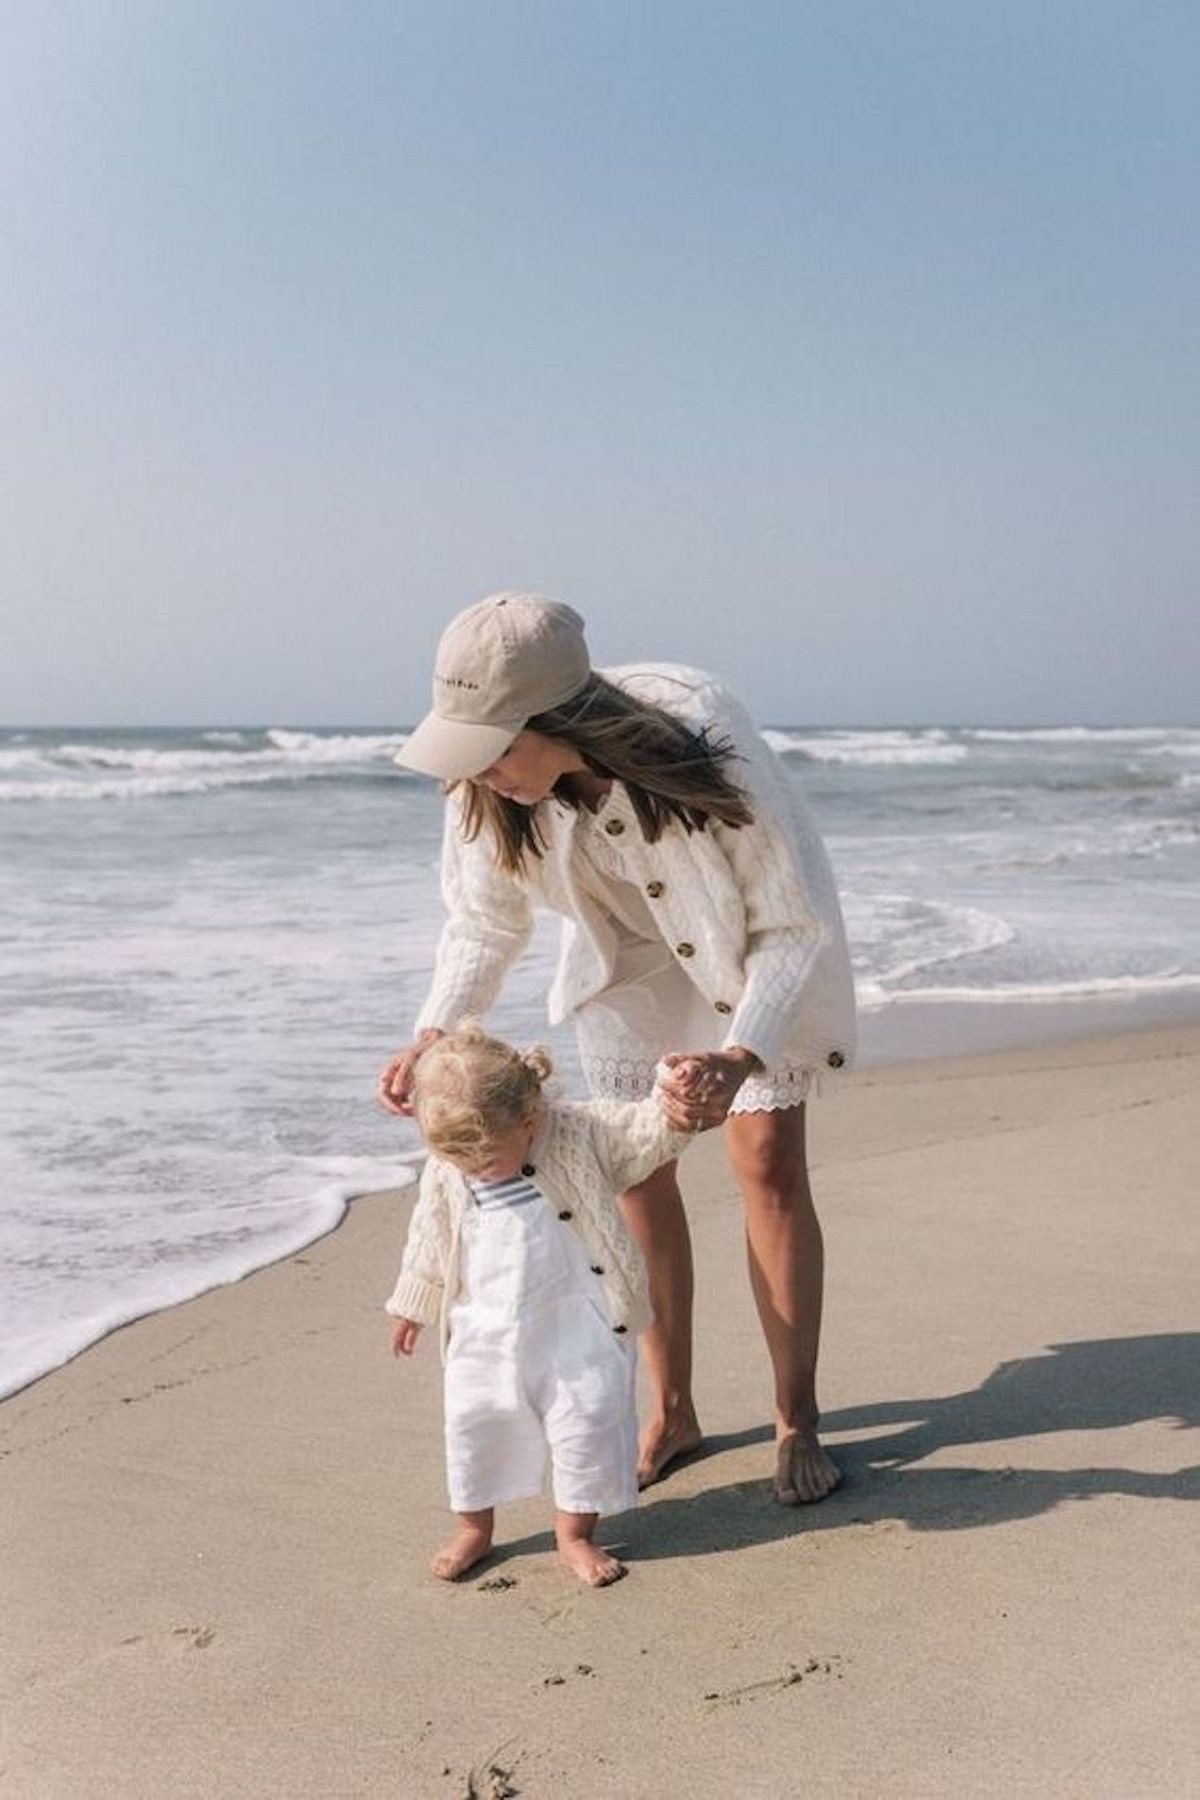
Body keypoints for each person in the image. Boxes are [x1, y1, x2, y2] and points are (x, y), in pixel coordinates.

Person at [379, 593, 857, 1505]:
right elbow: (483, 922)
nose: (484, 773)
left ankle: (796, 1418)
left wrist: (740, 1056)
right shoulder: (484, 785)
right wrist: (433, 1033)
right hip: (624, 970)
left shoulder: (704, 734)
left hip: (743, 950)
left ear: (555, 718)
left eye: (498, 750)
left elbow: (792, 924)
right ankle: (672, 1409)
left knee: (766, 1163)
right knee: (637, 1174)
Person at [386, 1024, 693, 1585]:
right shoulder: (450, 1168)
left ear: (529, 1121)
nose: (473, 1169)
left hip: (581, 1323)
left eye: (485, 1159)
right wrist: (413, 1304)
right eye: (460, 1160)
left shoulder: (577, 1133)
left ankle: (574, 1534)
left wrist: (674, 1096)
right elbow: (430, 1237)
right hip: (485, 1327)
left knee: (588, 1422)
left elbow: (643, 1133)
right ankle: (474, 1528)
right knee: (474, 1424)